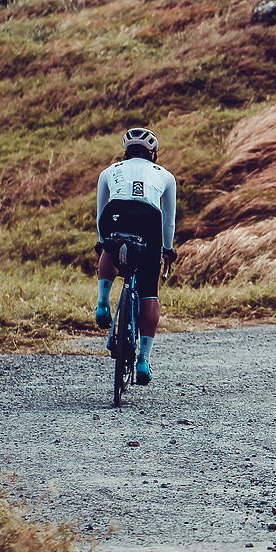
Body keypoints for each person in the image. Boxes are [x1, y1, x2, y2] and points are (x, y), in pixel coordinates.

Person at [95, 127, 177, 385]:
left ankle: (103, 303)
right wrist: (167, 249)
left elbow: (100, 214)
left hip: (116, 212)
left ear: (125, 152)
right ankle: (143, 360)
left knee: (110, 245)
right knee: (149, 290)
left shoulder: (109, 172)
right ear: (153, 154)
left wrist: (102, 242)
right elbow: (169, 222)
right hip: (149, 220)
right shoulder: (165, 175)